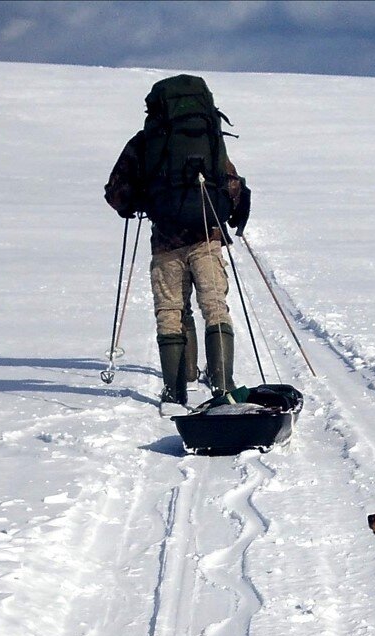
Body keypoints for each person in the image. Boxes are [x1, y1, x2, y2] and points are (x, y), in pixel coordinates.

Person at [104, 74, 250, 412]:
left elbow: (117, 193)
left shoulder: (146, 142)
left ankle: (174, 393)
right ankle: (222, 386)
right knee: (215, 306)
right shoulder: (209, 138)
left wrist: (141, 201)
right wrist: (230, 213)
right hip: (207, 236)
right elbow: (230, 184)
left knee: (170, 311)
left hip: (167, 240)